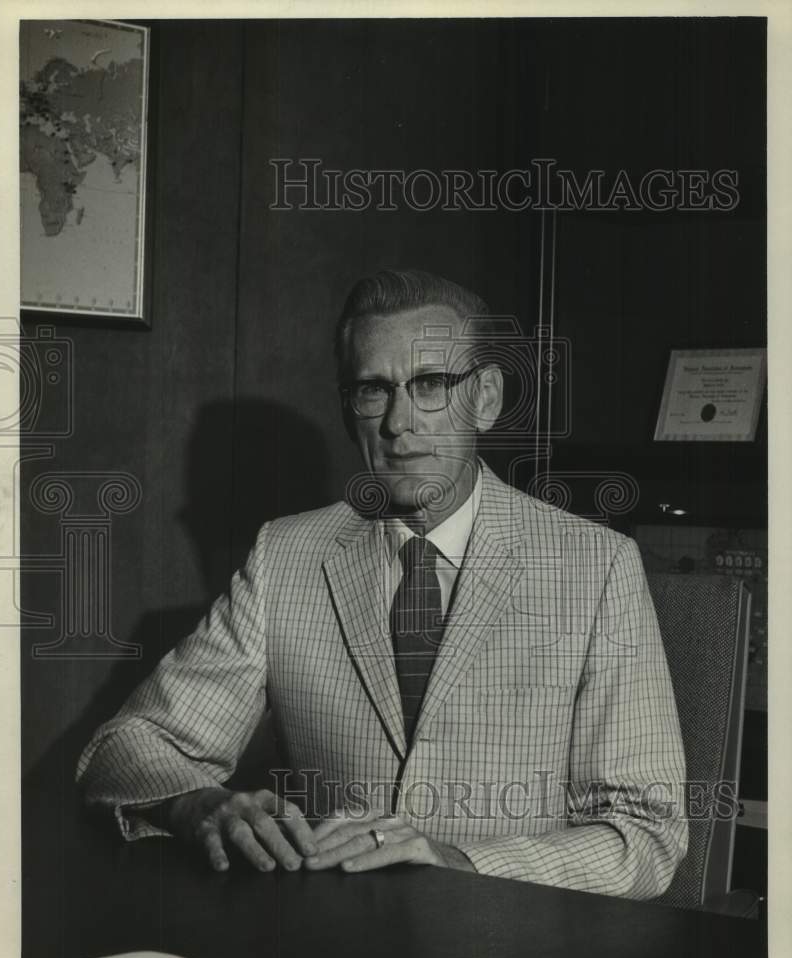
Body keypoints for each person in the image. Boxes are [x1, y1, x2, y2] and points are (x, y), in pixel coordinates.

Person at [77, 268, 687, 899]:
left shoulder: (596, 567)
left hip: (507, 947)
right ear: (349, 410)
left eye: (430, 385)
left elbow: (645, 834)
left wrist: (459, 863)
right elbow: (126, 748)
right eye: (373, 390)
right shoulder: (287, 556)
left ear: (486, 397)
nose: (399, 424)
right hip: (335, 947)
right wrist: (199, 804)